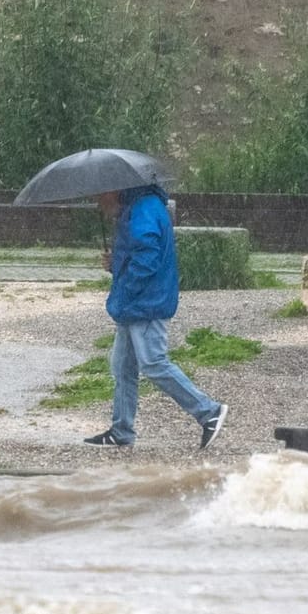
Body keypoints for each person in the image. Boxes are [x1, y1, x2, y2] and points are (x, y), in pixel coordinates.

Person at [85, 183, 228, 450]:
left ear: (113, 189)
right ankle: (121, 430)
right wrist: (115, 264)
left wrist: (125, 288)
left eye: (98, 194)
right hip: (137, 304)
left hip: (145, 304)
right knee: (123, 367)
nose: (98, 201)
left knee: (153, 363)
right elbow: (140, 254)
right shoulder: (140, 207)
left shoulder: (142, 210)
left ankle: (209, 412)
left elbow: (147, 259)